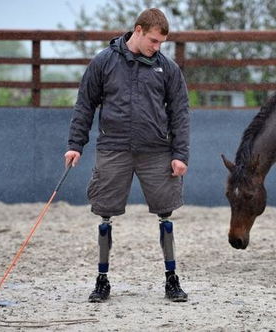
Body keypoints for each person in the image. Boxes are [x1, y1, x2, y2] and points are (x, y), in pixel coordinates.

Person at [64, 8, 190, 303]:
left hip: (157, 151)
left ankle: (172, 279)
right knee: (104, 214)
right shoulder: (103, 62)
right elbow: (85, 104)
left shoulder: (168, 68)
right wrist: (75, 144)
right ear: (138, 30)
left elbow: (180, 113)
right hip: (113, 148)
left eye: (161, 43)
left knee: (165, 213)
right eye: (154, 41)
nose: (157, 47)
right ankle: (102, 280)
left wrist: (180, 154)